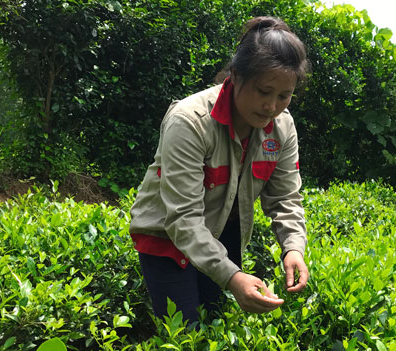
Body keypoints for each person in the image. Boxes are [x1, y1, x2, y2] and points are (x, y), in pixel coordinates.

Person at [129, 16, 310, 323]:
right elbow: (183, 216)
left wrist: (293, 248)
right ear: (236, 76)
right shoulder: (189, 122)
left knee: (215, 322)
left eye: (284, 95)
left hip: (222, 233)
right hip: (166, 238)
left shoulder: (282, 126)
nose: (271, 107)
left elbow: (285, 198)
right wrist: (232, 276)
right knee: (184, 333)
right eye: (263, 91)